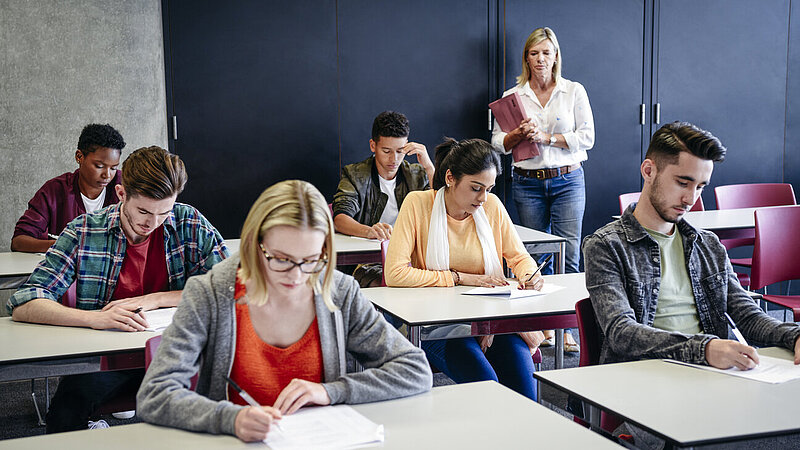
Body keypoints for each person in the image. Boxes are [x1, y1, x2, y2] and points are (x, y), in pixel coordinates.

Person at [137, 180, 432, 442]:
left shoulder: (339, 291)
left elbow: (414, 370)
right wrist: (230, 418)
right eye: (281, 259)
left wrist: (333, 391)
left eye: (311, 260)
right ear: (255, 244)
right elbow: (155, 394)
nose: (296, 275)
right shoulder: (209, 293)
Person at [7, 146, 229, 433]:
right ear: (122, 194)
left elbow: (232, 287)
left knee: (224, 404)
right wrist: (94, 318)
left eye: (164, 212)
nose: (153, 223)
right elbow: (24, 302)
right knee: (64, 414)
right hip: (112, 360)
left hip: (181, 352)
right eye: (144, 211)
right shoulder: (84, 231)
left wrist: (154, 299)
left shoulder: (189, 221)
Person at [583, 121, 800, 368]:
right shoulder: (606, 246)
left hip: (709, 372)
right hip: (642, 376)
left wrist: (794, 336)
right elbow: (623, 333)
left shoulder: (708, 245)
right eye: (682, 183)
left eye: (700, 187)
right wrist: (704, 349)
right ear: (648, 171)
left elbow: (748, 315)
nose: (690, 199)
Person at [384, 137, 544, 401]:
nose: (483, 198)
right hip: (438, 324)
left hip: (491, 321)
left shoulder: (491, 206)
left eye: (489, 189)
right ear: (450, 177)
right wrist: (459, 278)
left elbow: (520, 257)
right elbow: (396, 273)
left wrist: (529, 275)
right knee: (488, 388)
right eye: (475, 188)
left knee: (526, 394)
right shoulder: (417, 204)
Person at [490, 26, 594, 352]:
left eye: (546, 52)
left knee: (571, 256)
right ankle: (541, 326)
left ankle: (568, 330)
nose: (540, 59)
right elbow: (497, 143)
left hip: (568, 180)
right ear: (526, 58)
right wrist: (518, 134)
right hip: (527, 182)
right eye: (534, 53)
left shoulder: (574, 90)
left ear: (555, 56)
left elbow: (587, 137)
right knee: (532, 258)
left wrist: (546, 138)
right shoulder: (513, 96)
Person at [333, 110, 434, 286]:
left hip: (413, 260)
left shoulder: (417, 174)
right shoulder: (355, 175)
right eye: (386, 151)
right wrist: (369, 231)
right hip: (369, 262)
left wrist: (429, 167)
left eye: (400, 151)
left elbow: (442, 207)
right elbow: (340, 218)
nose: (394, 159)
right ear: (373, 145)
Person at [11, 123, 126, 253]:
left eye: (113, 168)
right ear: (79, 157)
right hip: (67, 271)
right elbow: (19, 241)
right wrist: (66, 244)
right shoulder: (55, 190)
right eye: (99, 166)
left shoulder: (124, 187)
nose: (107, 175)